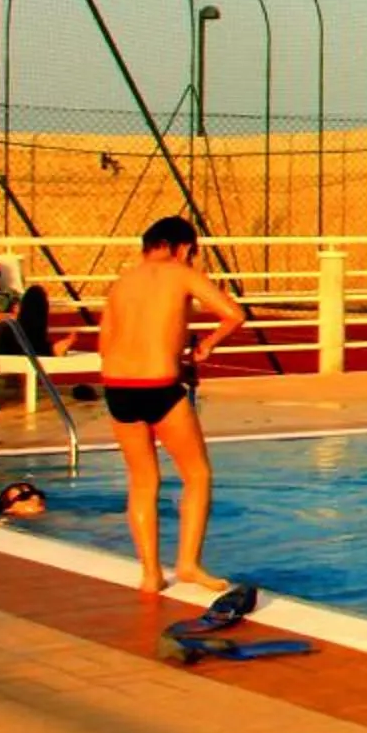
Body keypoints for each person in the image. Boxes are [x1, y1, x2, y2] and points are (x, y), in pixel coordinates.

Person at [94, 215, 245, 593]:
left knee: (142, 479)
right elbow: (233, 314)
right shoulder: (181, 273)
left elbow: (104, 345)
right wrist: (207, 345)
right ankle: (188, 565)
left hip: (118, 386)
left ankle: (150, 574)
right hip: (159, 385)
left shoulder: (121, 283)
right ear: (182, 247)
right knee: (197, 475)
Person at [0, 253, 77, 360]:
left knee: (35, 292)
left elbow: (20, 312)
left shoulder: (9, 295)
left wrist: (13, 316)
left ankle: (49, 350)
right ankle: (50, 350)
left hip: (13, 334)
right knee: (14, 329)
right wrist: (11, 317)